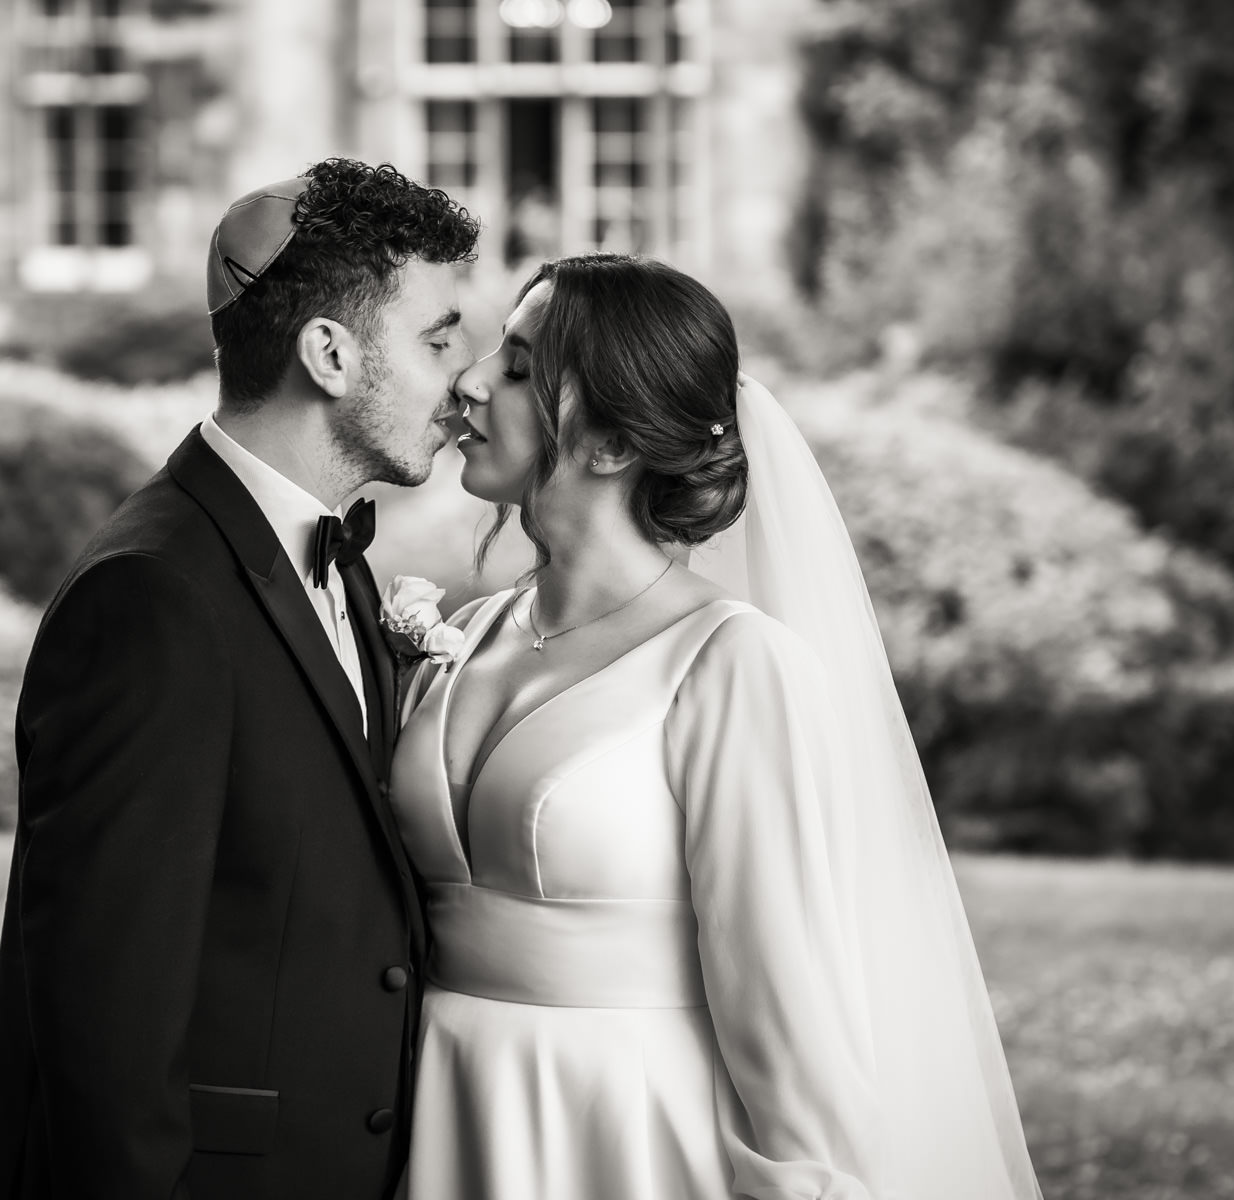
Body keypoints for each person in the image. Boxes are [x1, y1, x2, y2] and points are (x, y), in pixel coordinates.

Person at [386, 254, 1042, 1199]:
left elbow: (781, 1001)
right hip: (438, 1115)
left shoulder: (732, 666)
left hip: (623, 1138)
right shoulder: (471, 630)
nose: (471, 381)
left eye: (521, 368)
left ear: (612, 443)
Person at [0, 159, 479, 1200]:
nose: (464, 380)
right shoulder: (152, 597)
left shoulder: (331, 559)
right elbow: (104, 1016)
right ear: (329, 354)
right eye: (436, 340)